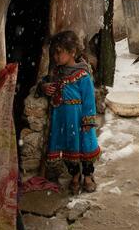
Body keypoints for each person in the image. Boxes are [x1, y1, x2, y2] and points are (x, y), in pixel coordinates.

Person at [38, 30, 100, 194]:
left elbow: (88, 99)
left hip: (79, 117)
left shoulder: (82, 74)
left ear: (72, 52)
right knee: (68, 148)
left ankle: (87, 175)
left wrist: (88, 120)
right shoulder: (56, 72)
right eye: (54, 54)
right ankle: (75, 174)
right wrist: (44, 87)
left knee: (85, 148)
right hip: (62, 117)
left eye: (59, 53)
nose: (56, 57)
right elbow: (44, 82)